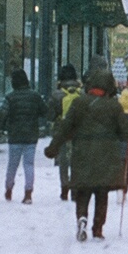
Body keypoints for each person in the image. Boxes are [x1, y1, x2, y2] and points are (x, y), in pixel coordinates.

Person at [45, 64, 128, 241]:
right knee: (102, 193)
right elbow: (127, 134)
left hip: (82, 154)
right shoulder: (114, 107)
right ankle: (98, 228)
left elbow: (64, 128)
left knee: (83, 190)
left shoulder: (79, 103)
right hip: (106, 156)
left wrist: (53, 148)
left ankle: (82, 218)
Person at [0, 68, 48, 203]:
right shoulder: (35, 96)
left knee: (12, 165)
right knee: (29, 164)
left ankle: (8, 189)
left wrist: (1, 127)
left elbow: (3, 113)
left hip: (15, 135)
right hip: (31, 135)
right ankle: (28, 193)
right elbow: (44, 111)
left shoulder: (10, 97)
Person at [48, 64, 83, 200]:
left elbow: (50, 115)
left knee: (63, 160)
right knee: (76, 159)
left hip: (62, 130)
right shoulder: (81, 93)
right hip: (78, 131)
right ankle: (75, 188)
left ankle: (64, 188)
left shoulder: (57, 94)